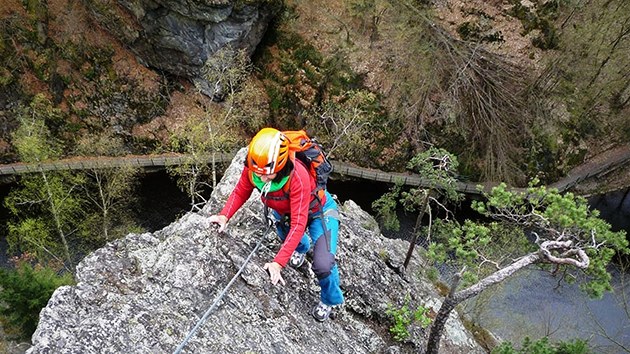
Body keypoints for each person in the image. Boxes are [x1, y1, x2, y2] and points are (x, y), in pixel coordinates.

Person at [208, 128, 343, 321]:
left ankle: (330, 300)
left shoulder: (297, 176)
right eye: (259, 174)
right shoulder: (255, 165)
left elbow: (299, 223)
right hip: (285, 210)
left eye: (268, 175)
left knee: (323, 265)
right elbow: (241, 191)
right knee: (286, 232)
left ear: (280, 166)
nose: (262, 179)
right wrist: (224, 216)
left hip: (318, 211)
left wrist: (278, 263)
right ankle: (301, 249)